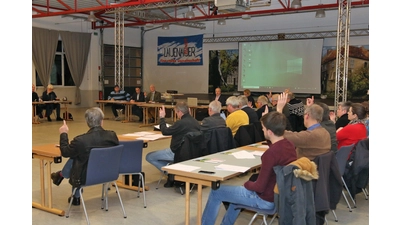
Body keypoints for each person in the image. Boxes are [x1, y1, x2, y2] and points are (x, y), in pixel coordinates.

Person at [201, 111, 297, 225]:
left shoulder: (270, 154)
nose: (262, 130)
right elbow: (274, 146)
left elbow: (259, 187)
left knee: (216, 191)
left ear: (270, 132)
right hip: (279, 197)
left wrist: (246, 184)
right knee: (233, 196)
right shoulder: (289, 145)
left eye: (263, 128)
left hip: (264, 199)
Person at [50, 107, 119, 206]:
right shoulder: (112, 136)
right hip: (108, 174)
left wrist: (63, 133)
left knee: (77, 158)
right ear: (102, 121)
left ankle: (75, 195)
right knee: (80, 155)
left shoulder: (81, 141)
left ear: (87, 122)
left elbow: (65, 152)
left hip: (85, 177)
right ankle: (61, 176)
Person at [145, 102, 200, 187]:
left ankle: (171, 173)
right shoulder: (196, 122)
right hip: (192, 153)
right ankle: (172, 168)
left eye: (176, 112)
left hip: (177, 152)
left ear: (180, 112)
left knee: (149, 156)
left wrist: (162, 118)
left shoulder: (180, 123)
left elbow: (165, 131)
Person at [277, 93, 331, 160]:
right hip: (312, 167)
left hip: (301, 168)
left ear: (307, 116)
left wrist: (279, 110)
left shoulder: (310, 135)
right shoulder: (325, 132)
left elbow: (281, 134)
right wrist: (310, 108)